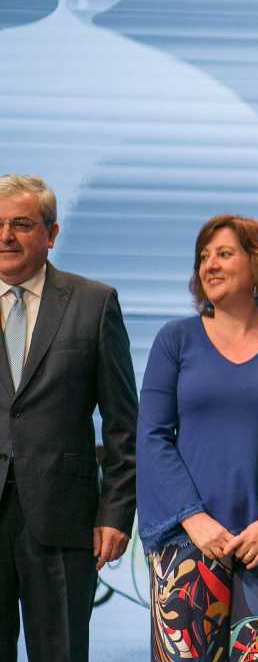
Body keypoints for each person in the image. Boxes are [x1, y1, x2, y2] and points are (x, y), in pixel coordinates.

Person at [137, 214, 258, 661]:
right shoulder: (175, 340)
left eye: (224, 254)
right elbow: (152, 436)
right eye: (203, 257)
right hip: (187, 543)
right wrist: (193, 518)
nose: (209, 265)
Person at [0, 174, 137, 662]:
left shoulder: (93, 303)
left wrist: (117, 513)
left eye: (21, 223)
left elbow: (124, 424)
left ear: (51, 234)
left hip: (64, 518)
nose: (6, 236)